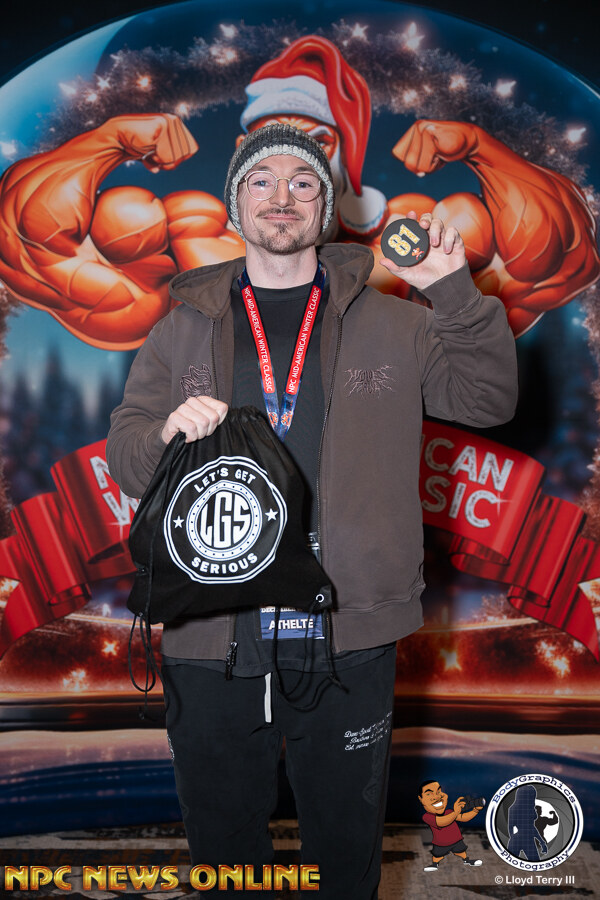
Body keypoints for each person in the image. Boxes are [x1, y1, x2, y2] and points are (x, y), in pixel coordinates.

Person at [106, 122, 517, 898]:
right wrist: (163, 433)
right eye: (260, 181)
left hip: (347, 628)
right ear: (235, 206)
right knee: (225, 852)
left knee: (345, 851)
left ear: (327, 209)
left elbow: (488, 400)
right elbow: (127, 459)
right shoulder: (182, 326)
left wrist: (453, 292)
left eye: (303, 182)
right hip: (212, 631)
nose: (281, 196)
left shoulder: (398, 322)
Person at [0, 38, 597, 348]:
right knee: (124, 218)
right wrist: (104, 142)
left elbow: (552, 263)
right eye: (269, 148)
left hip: (365, 489)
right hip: (230, 496)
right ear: (241, 157)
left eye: (315, 144)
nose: (289, 175)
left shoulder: (414, 241)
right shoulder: (188, 239)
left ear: (341, 154)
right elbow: (33, 247)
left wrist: (482, 150)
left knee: (466, 220)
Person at [418, 780, 484, 871]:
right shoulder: (427, 817)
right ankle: (434, 864)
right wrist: (456, 812)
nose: (436, 797)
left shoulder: (449, 812)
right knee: (437, 855)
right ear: (421, 799)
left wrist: (475, 810)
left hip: (456, 840)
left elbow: (463, 818)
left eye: (438, 792)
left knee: (461, 852)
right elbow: (442, 822)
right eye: (429, 794)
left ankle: (466, 860)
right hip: (441, 843)